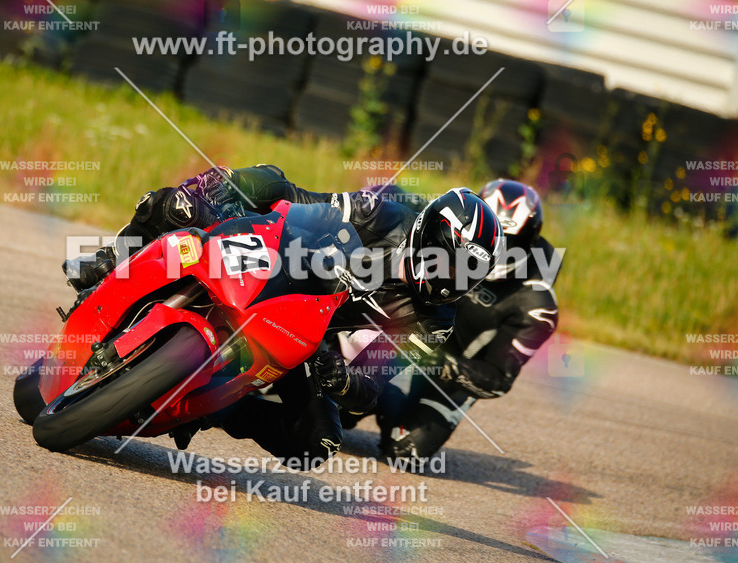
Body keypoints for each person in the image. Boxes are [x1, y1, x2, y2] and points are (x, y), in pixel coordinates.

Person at [63, 165, 506, 467]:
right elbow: (307, 201)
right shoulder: (385, 214)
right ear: (430, 234)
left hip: (309, 342)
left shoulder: (436, 320)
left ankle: (217, 407)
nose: (453, 279)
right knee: (193, 202)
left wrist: (343, 379)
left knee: (319, 442)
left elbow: (371, 387)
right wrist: (240, 193)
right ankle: (113, 259)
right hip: (283, 268)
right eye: (451, 262)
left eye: (470, 272)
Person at [356, 179, 561, 460]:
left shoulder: (538, 305)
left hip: (446, 375)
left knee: (405, 451)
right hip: (403, 340)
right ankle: (362, 399)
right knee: (340, 402)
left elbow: (499, 378)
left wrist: (447, 367)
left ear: (530, 242)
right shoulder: (442, 231)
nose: (491, 248)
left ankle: (387, 403)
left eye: (509, 242)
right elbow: (389, 195)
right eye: (491, 235)